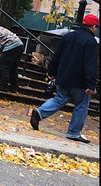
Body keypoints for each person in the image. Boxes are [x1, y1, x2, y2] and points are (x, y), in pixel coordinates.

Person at [30, 14, 99, 143]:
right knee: (81, 105)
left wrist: (51, 72)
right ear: (93, 27)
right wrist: (91, 84)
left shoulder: (68, 36)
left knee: (59, 99)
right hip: (80, 81)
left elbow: (56, 56)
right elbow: (90, 64)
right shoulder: (90, 41)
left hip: (63, 76)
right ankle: (73, 132)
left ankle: (40, 112)